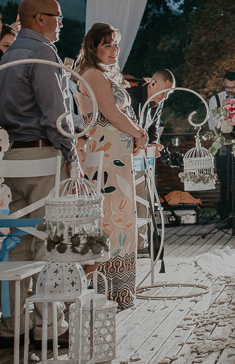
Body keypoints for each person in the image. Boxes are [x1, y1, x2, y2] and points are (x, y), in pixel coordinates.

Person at [0, 0, 73, 347]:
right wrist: (71, 154)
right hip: (42, 156)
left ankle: (13, 326)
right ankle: (48, 327)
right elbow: (55, 113)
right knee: (48, 241)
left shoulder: (9, 53)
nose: (60, 23)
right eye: (57, 16)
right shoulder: (42, 52)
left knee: (20, 240)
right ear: (38, 19)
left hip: (15, 156)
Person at [74, 23, 152, 310]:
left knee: (120, 215)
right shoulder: (93, 74)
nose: (114, 50)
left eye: (116, 45)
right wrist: (138, 132)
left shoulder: (104, 73)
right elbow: (111, 112)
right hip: (106, 155)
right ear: (93, 47)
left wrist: (133, 134)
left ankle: (120, 290)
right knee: (111, 217)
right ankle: (109, 291)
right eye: (107, 45)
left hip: (117, 154)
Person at [135, 69, 175, 254]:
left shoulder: (158, 104)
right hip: (129, 153)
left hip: (144, 156)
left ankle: (142, 242)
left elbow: (154, 127)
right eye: (163, 92)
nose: (165, 97)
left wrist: (154, 143)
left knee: (145, 196)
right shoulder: (133, 96)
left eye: (168, 93)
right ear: (152, 83)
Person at [207, 71, 235, 226]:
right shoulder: (215, 99)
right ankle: (225, 217)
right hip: (222, 146)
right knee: (224, 181)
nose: (230, 90)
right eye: (227, 87)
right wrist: (223, 111)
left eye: (233, 87)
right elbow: (212, 125)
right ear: (223, 84)